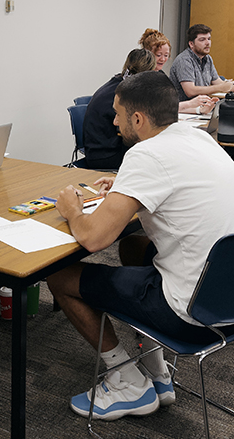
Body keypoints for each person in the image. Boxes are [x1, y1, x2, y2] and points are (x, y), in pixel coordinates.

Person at [48, 71, 234, 422]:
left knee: (59, 278)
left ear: (138, 119)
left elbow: (93, 238)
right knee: (134, 245)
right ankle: (157, 370)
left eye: (118, 114)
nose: (113, 121)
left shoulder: (145, 155)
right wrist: (125, 184)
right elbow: (178, 180)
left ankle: (126, 382)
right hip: (226, 300)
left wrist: (72, 209)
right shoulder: (200, 139)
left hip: (192, 316)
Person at [82, 48, 155, 170]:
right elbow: (130, 134)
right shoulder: (124, 94)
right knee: (153, 160)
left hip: (98, 149)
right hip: (104, 156)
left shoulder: (119, 83)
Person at [139, 27, 217, 114]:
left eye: (166, 55)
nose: (163, 59)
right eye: (158, 55)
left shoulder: (161, 76)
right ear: (148, 53)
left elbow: (169, 106)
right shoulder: (142, 77)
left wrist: (199, 110)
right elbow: (157, 108)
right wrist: (190, 104)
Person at [169, 24, 234, 104]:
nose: (207, 43)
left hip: (203, 107)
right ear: (191, 44)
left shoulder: (208, 59)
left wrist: (229, 86)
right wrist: (221, 87)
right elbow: (190, 91)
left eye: (209, 39)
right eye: (202, 40)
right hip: (183, 110)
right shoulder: (184, 60)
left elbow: (218, 82)